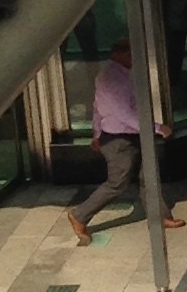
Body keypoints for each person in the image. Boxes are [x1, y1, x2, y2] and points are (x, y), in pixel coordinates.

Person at [67, 37, 179, 244]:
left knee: (149, 177)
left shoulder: (122, 75)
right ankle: (80, 214)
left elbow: (98, 107)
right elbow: (123, 114)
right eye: (130, 54)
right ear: (118, 54)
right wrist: (157, 128)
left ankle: (161, 216)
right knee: (117, 183)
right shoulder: (111, 79)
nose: (134, 59)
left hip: (133, 135)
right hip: (119, 139)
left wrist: (96, 132)